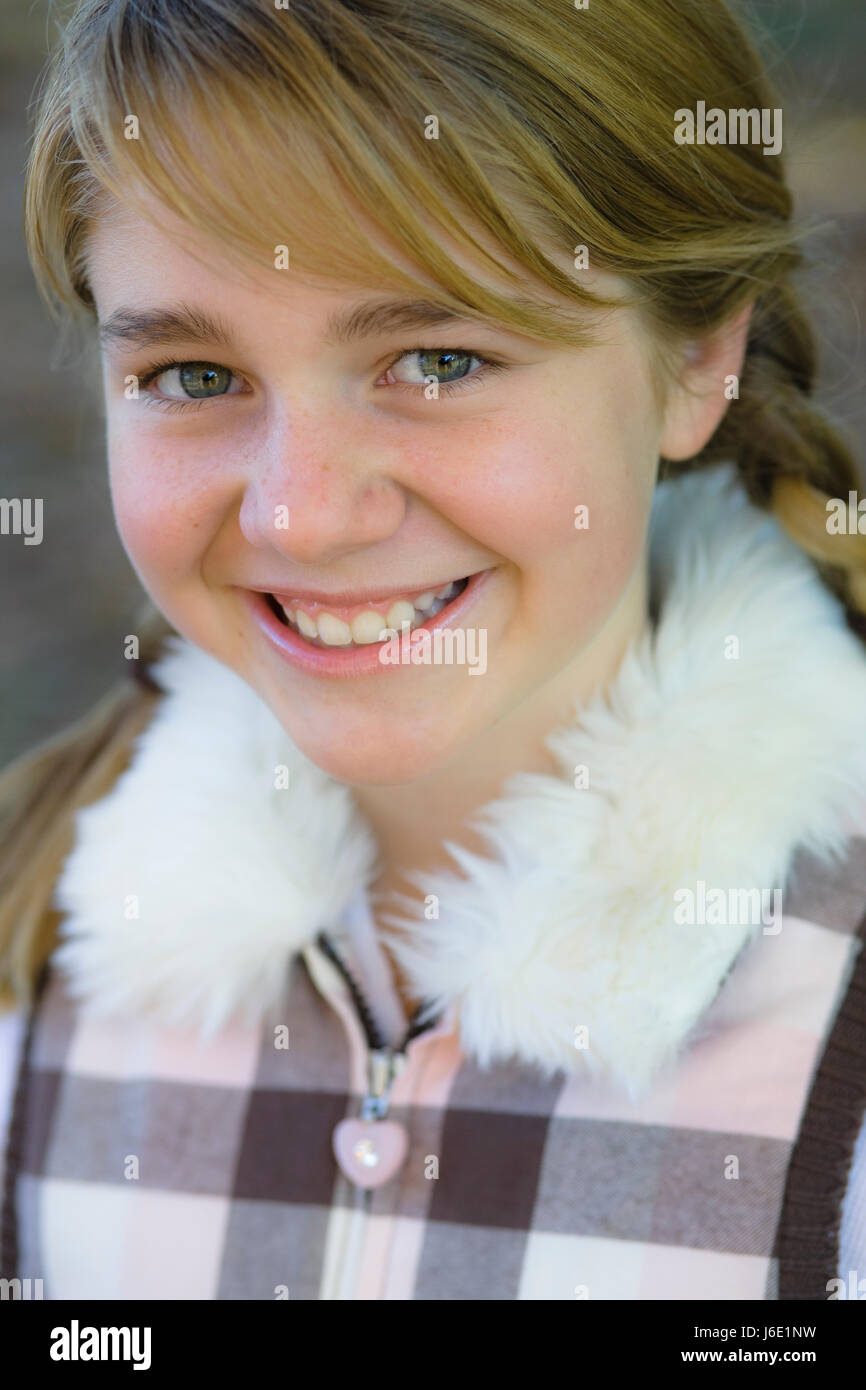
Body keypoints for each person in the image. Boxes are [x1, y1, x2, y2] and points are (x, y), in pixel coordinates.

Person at [1, 0, 865, 1301]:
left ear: (697, 359)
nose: (297, 511)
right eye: (192, 376)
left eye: (440, 358)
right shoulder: (32, 966)